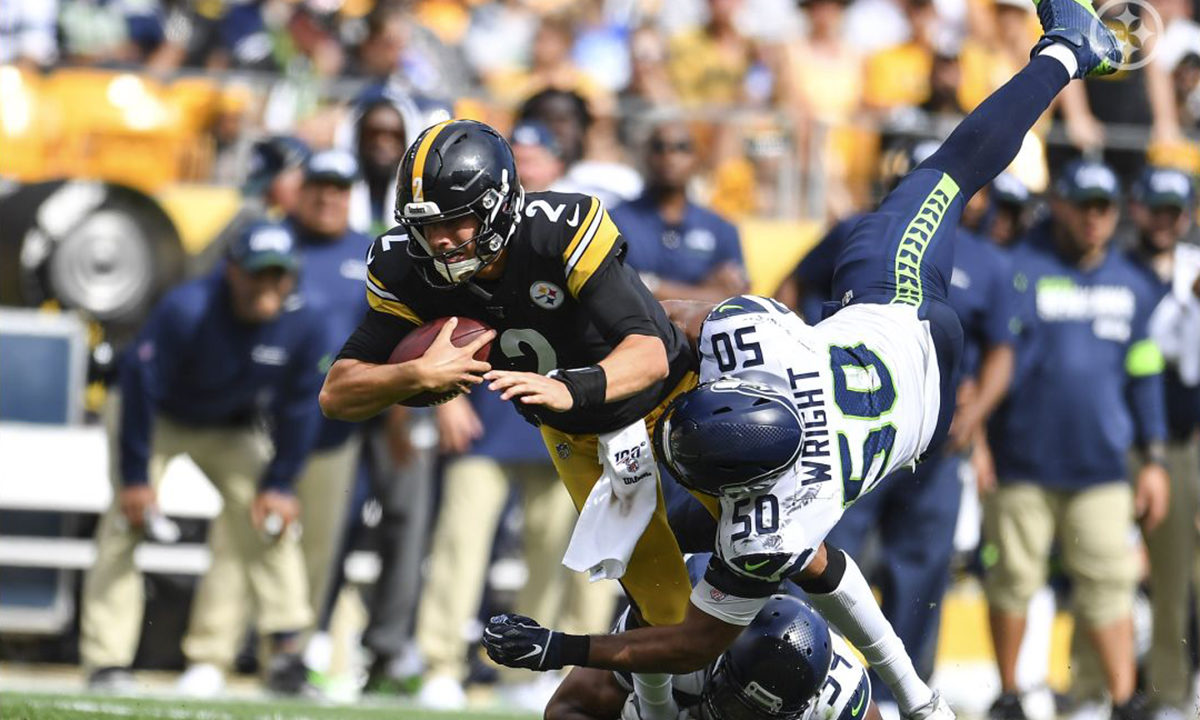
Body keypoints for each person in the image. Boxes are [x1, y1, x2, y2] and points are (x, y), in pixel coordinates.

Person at [481, 2, 1121, 718]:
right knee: (945, 176)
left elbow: (694, 640)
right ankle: (1064, 50)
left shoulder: (769, 493)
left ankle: (1069, 47)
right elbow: (661, 333)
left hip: (910, 366)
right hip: (889, 338)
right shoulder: (762, 345)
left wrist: (562, 648)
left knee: (673, 537)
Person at [319, 118, 718, 709]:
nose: (443, 242)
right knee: (665, 605)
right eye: (428, 227)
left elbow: (651, 351)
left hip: (674, 406)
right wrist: (414, 374)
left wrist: (570, 390)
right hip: (583, 440)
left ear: (500, 205)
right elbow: (337, 392)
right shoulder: (406, 268)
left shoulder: (559, 231)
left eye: (456, 221)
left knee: (765, 551)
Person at [81, 221, 327, 695]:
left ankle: (286, 655)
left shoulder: (307, 321)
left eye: (279, 275)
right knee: (124, 521)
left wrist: (280, 483)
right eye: (258, 274)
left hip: (229, 424)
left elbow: (301, 407)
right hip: (157, 418)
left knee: (270, 519)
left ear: (292, 278)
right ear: (232, 271)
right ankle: (105, 660)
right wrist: (135, 477)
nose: (267, 286)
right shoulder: (187, 308)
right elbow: (139, 385)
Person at [176, 151, 372, 696]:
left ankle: (285, 664)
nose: (328, 197)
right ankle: (210, 654)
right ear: (299, 189)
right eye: (319, 186)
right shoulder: (266, 240)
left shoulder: (373, 254)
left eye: (340, 187)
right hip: (260, 423)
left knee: (316, 552)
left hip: (335, 428)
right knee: (239, 536)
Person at [983, 160, 1169, 720]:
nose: (1093, 217)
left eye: (1104, 206)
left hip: (1102, 469)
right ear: (1059, 204)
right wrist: (983, 446)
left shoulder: (1134, 285)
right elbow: (991, 360)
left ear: (1117, 214)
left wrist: (1155, 459)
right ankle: (1010, 694)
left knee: (1110, 584)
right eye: (1083, 204)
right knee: (1012, 579)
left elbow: (1145, 375)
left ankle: (1123, 699)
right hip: (1021, 460)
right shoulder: (1018, 270)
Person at [548, 557, 880, 720]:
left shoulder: (839, 697)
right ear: (720, 659)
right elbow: (566, 709)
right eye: (738, 710)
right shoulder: (677, 640)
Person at [1124, 165, 1199, 720]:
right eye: (1158, 209)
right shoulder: (1113, 268)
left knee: (1172, 573)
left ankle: (1170, 693)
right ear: (1138, 209)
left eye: (1175, 212)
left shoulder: (1193, 269)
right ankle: (1101, 688)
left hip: (1175, 439)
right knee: (1099, 568)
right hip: (1112, 434)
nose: (1165, 222)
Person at [611, 122, 749, 304]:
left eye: (682, 148)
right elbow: (617, 287)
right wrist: (703, 292)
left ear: (698, 159)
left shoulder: (721, 228)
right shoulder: (616, 220)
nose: (669, 156)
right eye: (659, 147)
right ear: (646, 156)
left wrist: (651, 285)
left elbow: (736, 298)